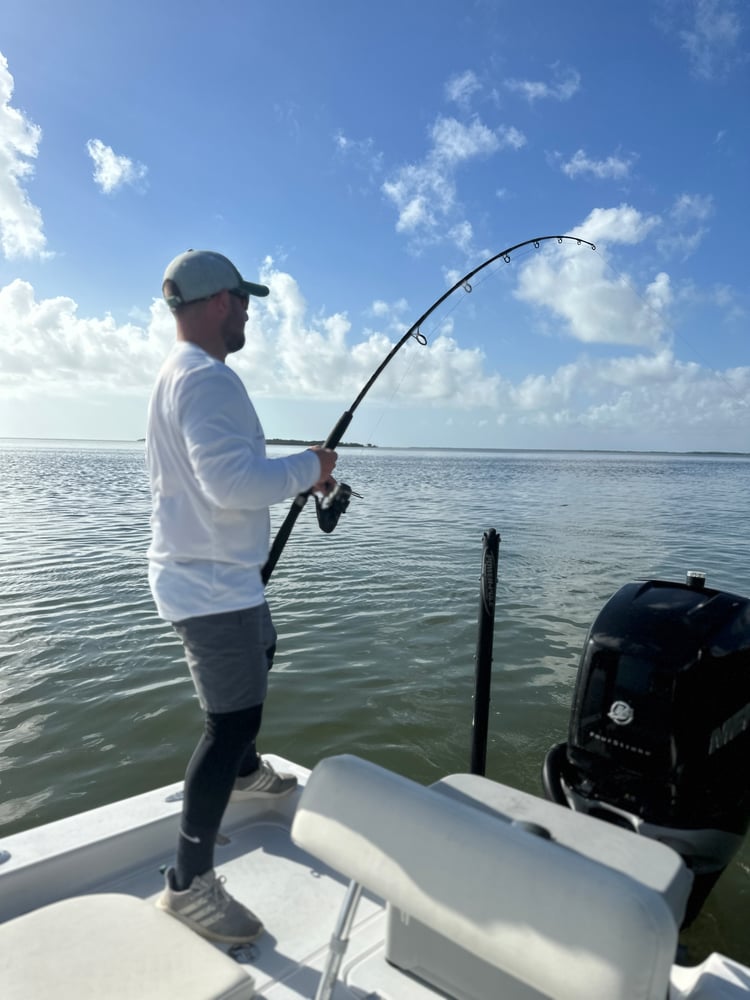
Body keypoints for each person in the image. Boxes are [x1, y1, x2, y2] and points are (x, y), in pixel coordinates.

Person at [146, 249, 337, 945]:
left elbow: (223, 474)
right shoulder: (208, 379)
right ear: (221, 301)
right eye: (245, 300)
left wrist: (293, 473)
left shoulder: (181, 374)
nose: (250, 311)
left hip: (221, 577)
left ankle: (250, 773)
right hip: (208, 585)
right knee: (227, 724)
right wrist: (311, 467)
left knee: (265, 645)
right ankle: (187, 887)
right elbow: (230, 483)